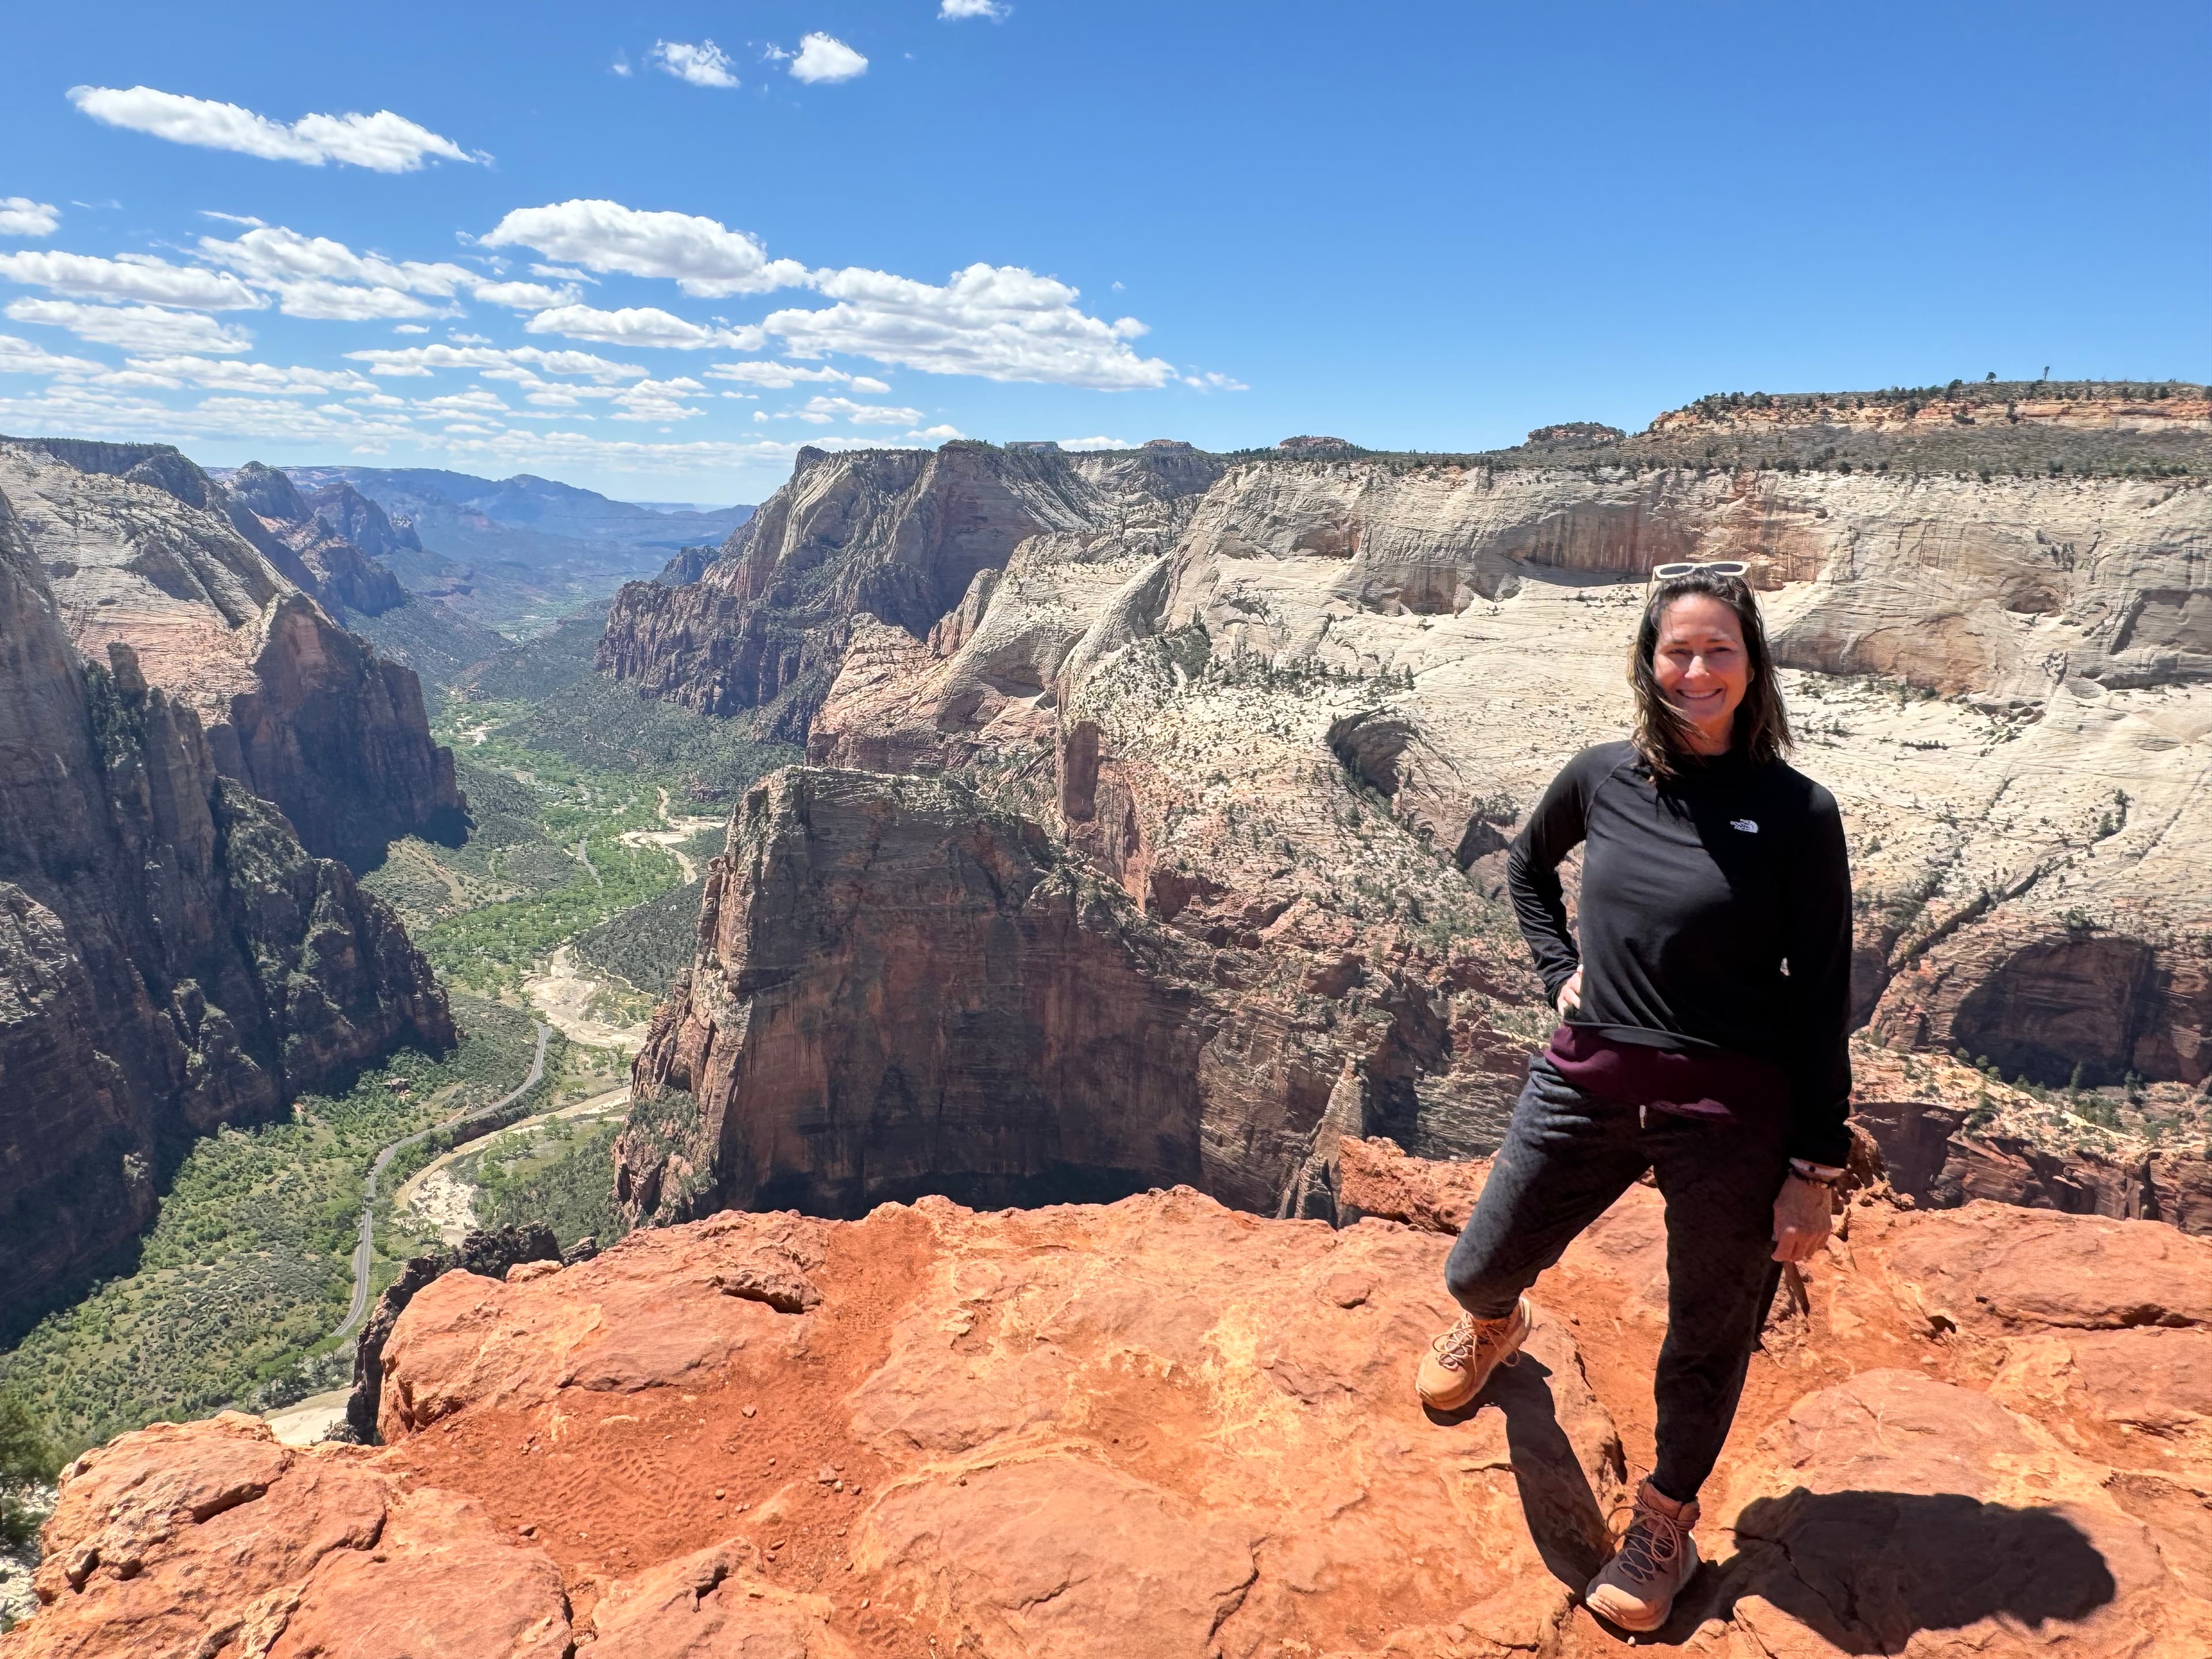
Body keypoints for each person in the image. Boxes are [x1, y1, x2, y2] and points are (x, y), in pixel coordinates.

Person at [1414, 562, 1853, 1634]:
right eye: (1678, 650)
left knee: (1706, 1334)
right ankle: (1495, 1325)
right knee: (1476, 1264)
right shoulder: (1605, 774)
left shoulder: (1798, 813)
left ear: (1752, 668)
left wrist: (1811, 1168)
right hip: (1588, 1082)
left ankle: (1662, 1520)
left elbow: (1823, 994)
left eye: (1719, 651)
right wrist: (1551, 968)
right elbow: (1524, 865)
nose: (1696, 670)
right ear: (1648, 662)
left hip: (1729, 1115)